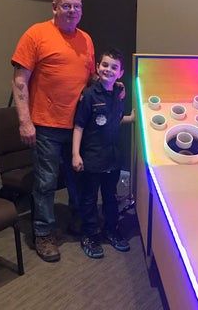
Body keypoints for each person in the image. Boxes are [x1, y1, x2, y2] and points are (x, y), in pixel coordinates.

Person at [11, 0, 95, 262]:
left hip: (78, 128)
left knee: (77, 178)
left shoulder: (86, 39)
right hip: (45, 125)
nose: (73, 10)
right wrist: (24, 121)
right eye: (67, 5)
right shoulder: (36, 34)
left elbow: (90, 79)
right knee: (46, 182)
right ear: (54, 8)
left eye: (77, 6)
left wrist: (112, 87)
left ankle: (76, 222)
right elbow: (20, 80)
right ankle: (43, 233)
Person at [72, 48, 135, 258]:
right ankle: (89, 234)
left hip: (112, 158)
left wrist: (132, 118)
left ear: (120, 72)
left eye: (114, 67)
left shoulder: (119, 93)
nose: (108, 69)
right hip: (92, 157)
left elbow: (115, 119)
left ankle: (111, 230)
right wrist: (75, 154)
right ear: (98, 67)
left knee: (110, 196)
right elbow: (79, 126)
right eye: (105, 65)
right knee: (89, 197)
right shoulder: (89, 95)